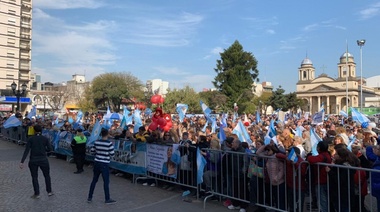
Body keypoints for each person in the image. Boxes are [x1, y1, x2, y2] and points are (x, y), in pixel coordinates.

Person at [19, 124, 54, 199]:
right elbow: (50, 149)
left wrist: (22, 161)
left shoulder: (31, 139)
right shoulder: (45, 139)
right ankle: (49, 191)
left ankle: (37, 193)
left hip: (33, 160)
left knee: (34, 177)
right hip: (43, 159)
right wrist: (45, 151)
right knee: (47, 175)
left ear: (34, 130)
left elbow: (26, 150)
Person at [87, 128, 116, 204]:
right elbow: (112, 154)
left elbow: (92, 151)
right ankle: (107, 198)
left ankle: (90, 197)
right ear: (107, 134)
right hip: (104, 163)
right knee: (106, 182)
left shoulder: (96, 142)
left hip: (97, 162)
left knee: (94, 180)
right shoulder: (109, 143)